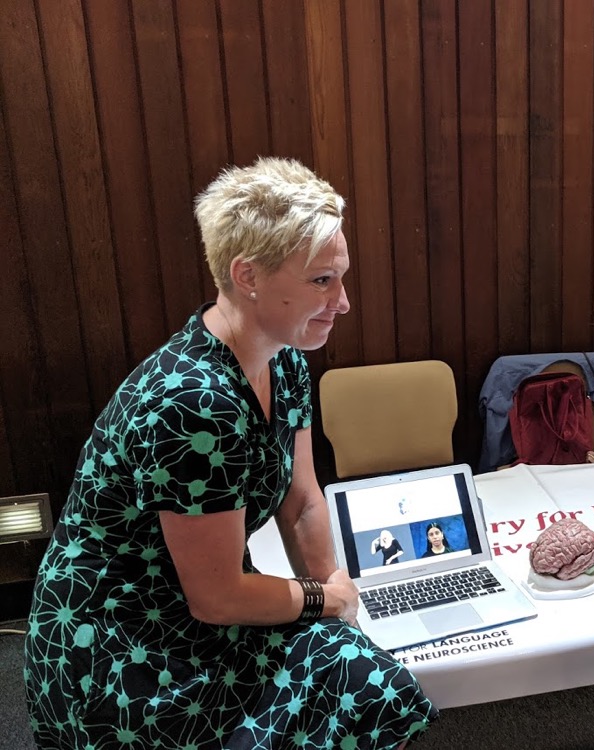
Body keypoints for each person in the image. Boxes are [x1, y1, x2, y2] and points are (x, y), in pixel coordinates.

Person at [24, 157, 437, 749]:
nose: (342, 302)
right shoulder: (195, 404)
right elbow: (217, 597)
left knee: (360, 669)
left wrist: (339, 606)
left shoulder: (286, 360)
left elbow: (300, 503)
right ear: (247, 275)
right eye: (322, 281)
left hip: (198, 606)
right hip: (122, 646)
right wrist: (323, 599)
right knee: (362, 687)